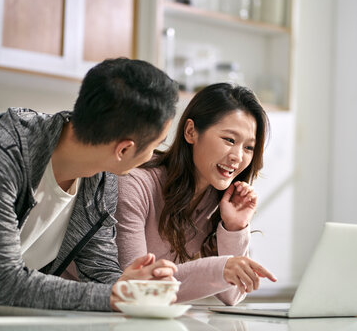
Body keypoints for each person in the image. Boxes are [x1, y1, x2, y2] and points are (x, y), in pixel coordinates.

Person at [0, 58, 180, 311]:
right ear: (124, 149)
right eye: (156, 145)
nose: (153, 155)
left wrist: (129, 284)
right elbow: (5, 283)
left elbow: (100, 272)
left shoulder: (102, 180)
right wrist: (118, 294)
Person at [115, 83, 277, 306]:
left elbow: (233, 295)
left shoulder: (217, 201)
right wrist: (222, 268)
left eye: (249, 148)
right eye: (229, 140)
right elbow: (137, 287)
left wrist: (234, 227)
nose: (237, 157)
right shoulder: (135, 184)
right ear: (191, 132)